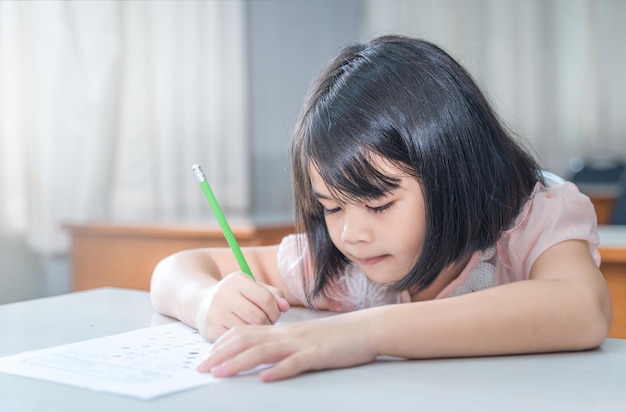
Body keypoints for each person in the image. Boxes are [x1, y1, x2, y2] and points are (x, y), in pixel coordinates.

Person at [150, 35, 612, 382]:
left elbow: (582, 307)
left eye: (380, 203)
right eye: (330, 207)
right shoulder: (344, 263)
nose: (351, 233)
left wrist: (361, 333)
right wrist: (205, 300)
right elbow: (176, 270)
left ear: (454, 172)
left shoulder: (533, 219)